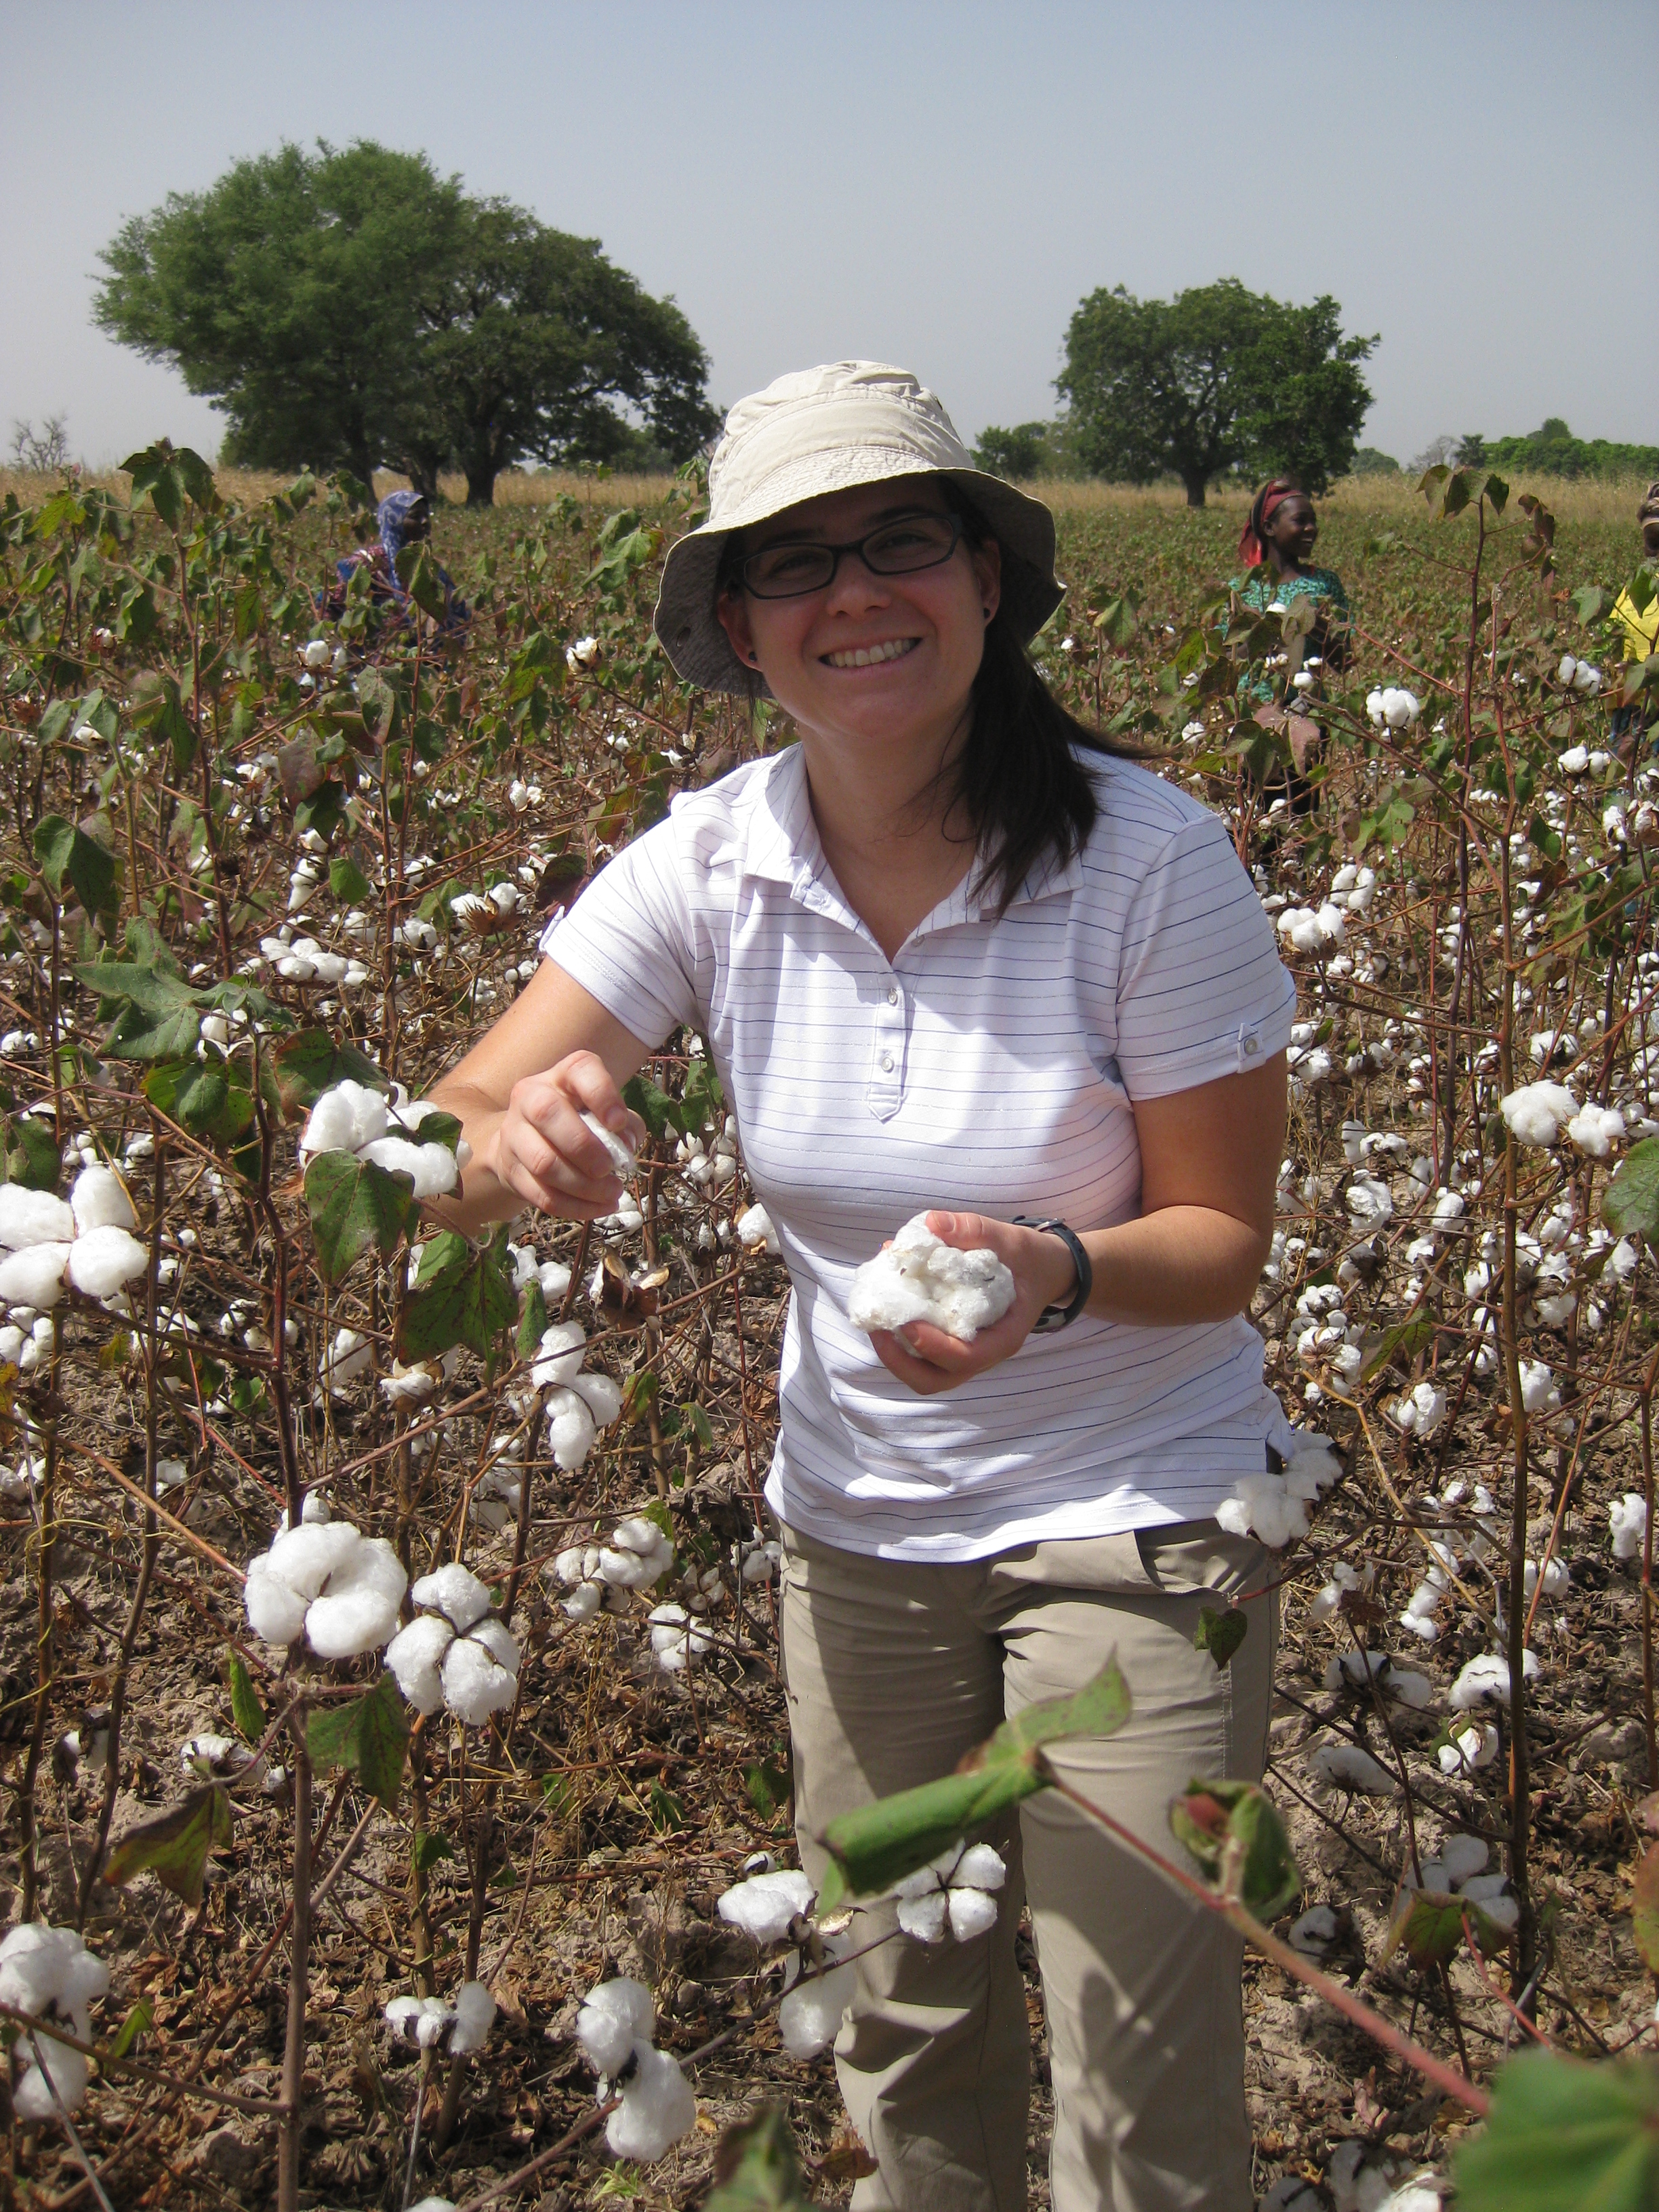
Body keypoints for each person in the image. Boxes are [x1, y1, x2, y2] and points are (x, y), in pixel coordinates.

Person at [430, 363, 1298, 2212]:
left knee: (1139, 2077)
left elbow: (1220, 1245)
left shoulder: (1154, 861)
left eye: (901, 539)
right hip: (860, 1536)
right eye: (791, 561)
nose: (854, 594)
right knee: (903, 2013)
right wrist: (511, 1150)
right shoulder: (712, 862)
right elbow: (434, 1136)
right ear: (739, 631)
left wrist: (1048, 1273)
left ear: (987, 578)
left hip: (1134, 1522)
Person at [1229, 478, 1351, 817]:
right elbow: (1228, 658)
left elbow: (1346, 658)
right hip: (1254, 721)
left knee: (1302, 814)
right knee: (1257, 816)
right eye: (1301, 521)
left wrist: (1314, 621)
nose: (1312, 528)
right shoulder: (1242, 591)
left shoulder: (1324, 585)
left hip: (1307, 716)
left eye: (1314, 521)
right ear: (1269, 527)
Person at [320, 488, 470, 638]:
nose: (425, 522)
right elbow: (328, 605)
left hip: (429, 657)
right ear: (393, 521)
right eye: (415, 517)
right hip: (375, 656)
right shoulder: (367, 563)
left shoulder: (428, 565)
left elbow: (458, 611)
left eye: (426, 516)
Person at [1610, 480, 1659, 756]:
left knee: (1626, 792)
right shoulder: (1633, 591)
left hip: (1630, 716)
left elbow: (1613, 657)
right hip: (1639, 712)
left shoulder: (1631, 591)